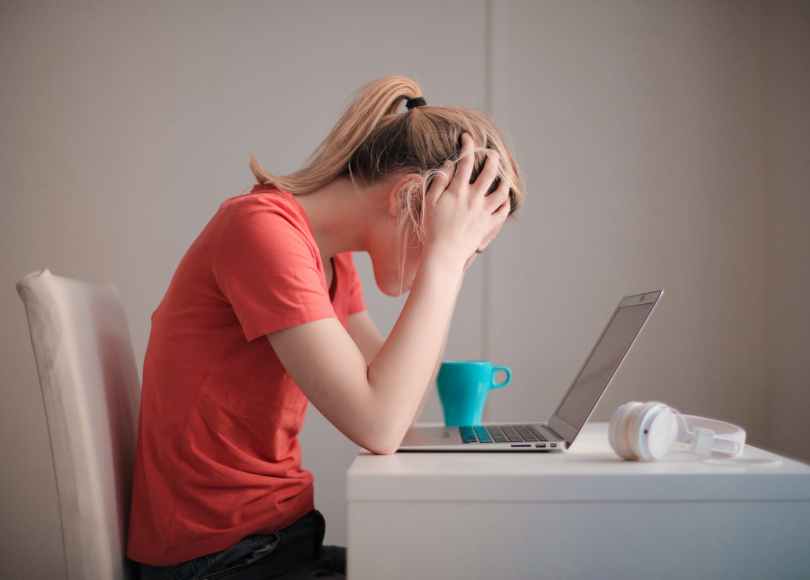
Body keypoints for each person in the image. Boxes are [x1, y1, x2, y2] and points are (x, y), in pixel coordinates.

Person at [126, 75, 525, 579]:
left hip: (276, 542)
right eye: (463, 239)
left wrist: (445, 261)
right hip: (218, 560)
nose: (459, 257)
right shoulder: (261, 232)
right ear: (406, 197)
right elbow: (378, 425)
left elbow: (398, 408)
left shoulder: (329, 261)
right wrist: (442, 266)